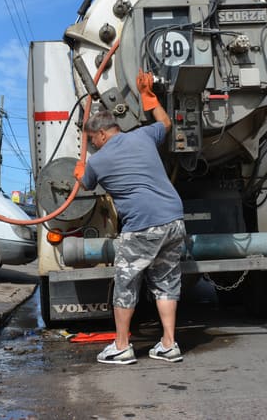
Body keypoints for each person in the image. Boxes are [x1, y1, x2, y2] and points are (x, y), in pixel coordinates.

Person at [73, 71, 186, 365]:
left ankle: (122, 347)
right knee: (166, 282)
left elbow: (85, 185)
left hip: (142, 226)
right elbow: (166, 123)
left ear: (101, 134)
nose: (93, 145)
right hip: (174, 219)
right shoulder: (143, 135)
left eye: (92, 140)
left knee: (126, 283)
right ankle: (169, 344)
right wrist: (149, 97)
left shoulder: (98, 161)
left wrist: (81, 171)